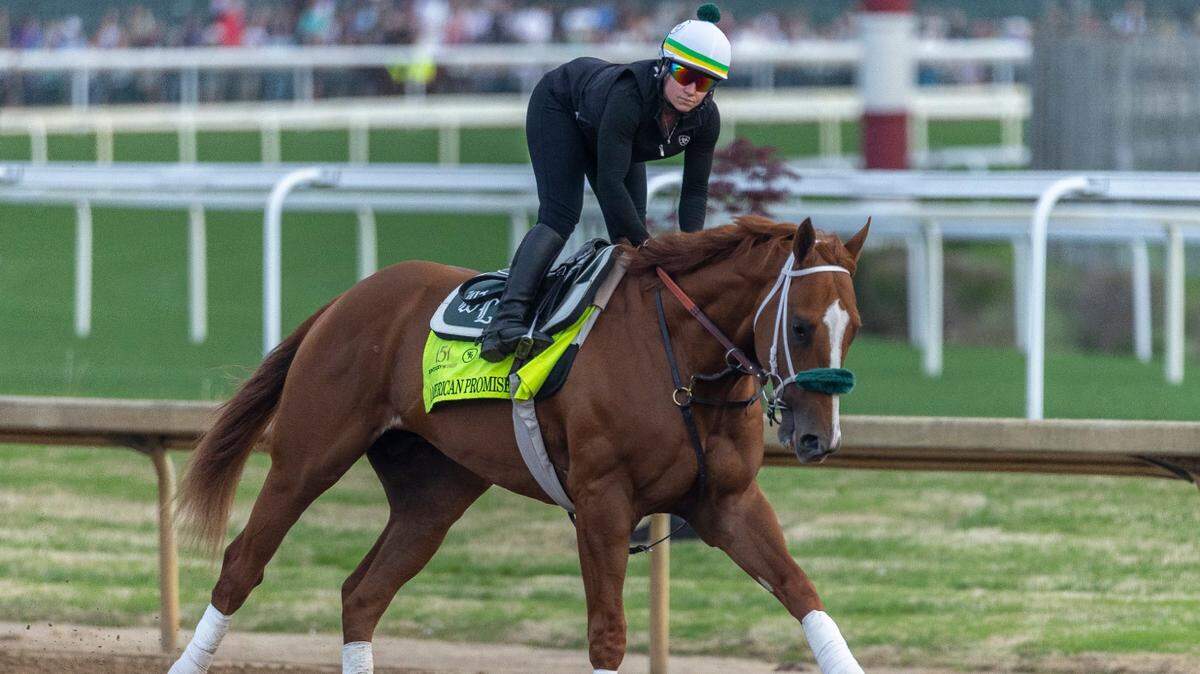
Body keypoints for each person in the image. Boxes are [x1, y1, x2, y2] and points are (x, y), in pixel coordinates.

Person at [479, 3, 732, 361]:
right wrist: (651, 247)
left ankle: (623, 328)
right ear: (664, 66)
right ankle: (505, 323)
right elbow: (611, 183)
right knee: (561, 215)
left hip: (615, 139)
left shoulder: (707, 119)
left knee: (628, 240)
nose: (691, 90)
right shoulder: (629, 97)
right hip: (562, 109)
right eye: (684, 75)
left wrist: (690, 253)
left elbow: (694, 191)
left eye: (704, 82)